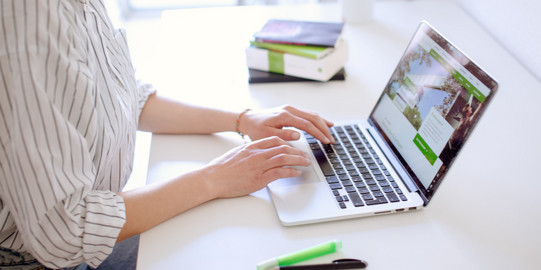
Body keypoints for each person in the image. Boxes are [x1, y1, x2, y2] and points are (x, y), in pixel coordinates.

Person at [0, 0, 335, 269]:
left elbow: (128, 98)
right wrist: (214, 179)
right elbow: (66, 232)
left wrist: (242, 120)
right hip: (43, 258)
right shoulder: (28, 23)